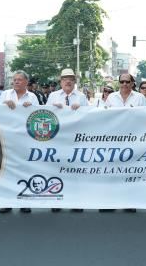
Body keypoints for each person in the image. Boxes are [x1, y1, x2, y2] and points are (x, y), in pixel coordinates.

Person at [46, 68, 88, 212]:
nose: (68, 81)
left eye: (70, 78)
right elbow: (45, 116)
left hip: (75, 139)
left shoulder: (81, 97)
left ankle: (75, 201)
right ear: (60, 81)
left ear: (75, 81)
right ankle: (57, 200)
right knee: (56, 169)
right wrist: (54, 109)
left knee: (75, 171)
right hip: (57, 139)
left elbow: (89, 117)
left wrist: (81, 109)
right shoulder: (53, 96)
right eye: (65, 79)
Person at [0, 71, 39, 214]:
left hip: (26, 138)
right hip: (8, 137)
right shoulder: (6, 94)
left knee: (25, 169)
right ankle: (6, 201)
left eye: (20, 80)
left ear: (26, 82)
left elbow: (38, 115)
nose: (16, 82)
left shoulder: (32, 96)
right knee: (7, 170)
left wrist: (31, 107)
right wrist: (4, 104)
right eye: (14, 79)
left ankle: (25, 201)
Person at [105, 73, 146, 213]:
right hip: (114, 141)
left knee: (130, 173)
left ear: (132, 83)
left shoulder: (140, 98)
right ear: (118, 83)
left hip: (134, 141)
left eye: (127, 82)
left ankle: (129, 202)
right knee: (112, 172)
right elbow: (103, 117)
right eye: (121, 81)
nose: (124, 84)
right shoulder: (111, 97)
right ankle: (109, 203)